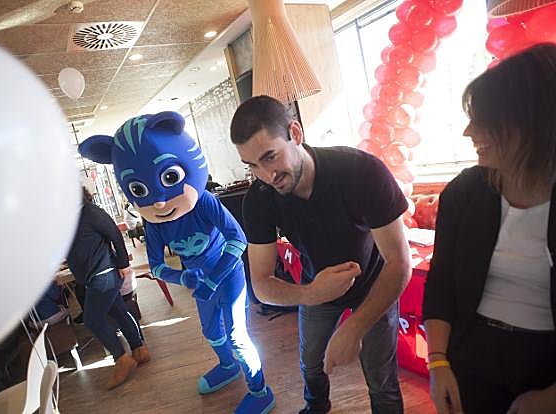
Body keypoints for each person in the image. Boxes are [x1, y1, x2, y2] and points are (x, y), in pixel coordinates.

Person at [78, 111, 275, 414]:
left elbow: (237, 240)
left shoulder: (205, 201)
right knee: (212, 333)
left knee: (237, 336)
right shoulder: (154, 222)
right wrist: (183, 278)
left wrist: (212, 279)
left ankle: (260, 391)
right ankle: (228, 366)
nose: (159, 201)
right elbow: (156, 266)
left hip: (227, 275)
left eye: (169, 178)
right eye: (139, 190)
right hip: (199, 280)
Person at [230, 95, 411, 414]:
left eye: (270, 157)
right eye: (253, 166)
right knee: (311, 364)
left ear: (295, 133)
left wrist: (354, 327)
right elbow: (261, 283)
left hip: (375, 283)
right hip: (315, 288)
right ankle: (316, 407)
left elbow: (399, 263)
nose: (266, 176)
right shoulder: (259, 199)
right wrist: (312, 293)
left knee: (381, 379)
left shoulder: (361, 171)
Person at [423, 43, 556, 414]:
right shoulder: (466, 192)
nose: (469, 131)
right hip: (472, 351)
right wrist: (438, 363)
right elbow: (442, 281)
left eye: (484, 120)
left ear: (532, 123)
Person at [66, 186, 150, 390]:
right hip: (97, 276)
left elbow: (115, 235)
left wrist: (123, 263)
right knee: (119, 311)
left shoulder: (89, 211)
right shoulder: (70, 217)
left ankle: (121, 358)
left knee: (92, 320)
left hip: (103, 274)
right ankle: (139, 349)